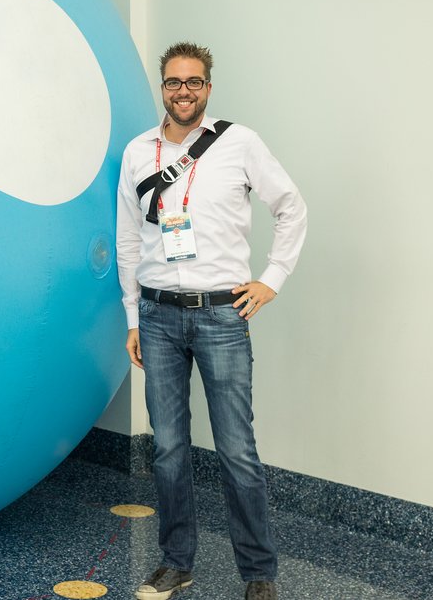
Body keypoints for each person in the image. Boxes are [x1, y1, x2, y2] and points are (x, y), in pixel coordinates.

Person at [117, 42, 307, 600]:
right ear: (162, 86)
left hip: (222, 315)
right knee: (169, 448)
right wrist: (132, 315)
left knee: (236, 449)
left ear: (208, 86)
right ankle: (177, 561)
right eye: (174, 82)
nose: (183, 91)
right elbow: (130, 240)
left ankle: (258, 573)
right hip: (156, 316)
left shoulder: (239, 143)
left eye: (193, 82)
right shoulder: (136, 153)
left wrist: (271, 278)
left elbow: (291, 207)